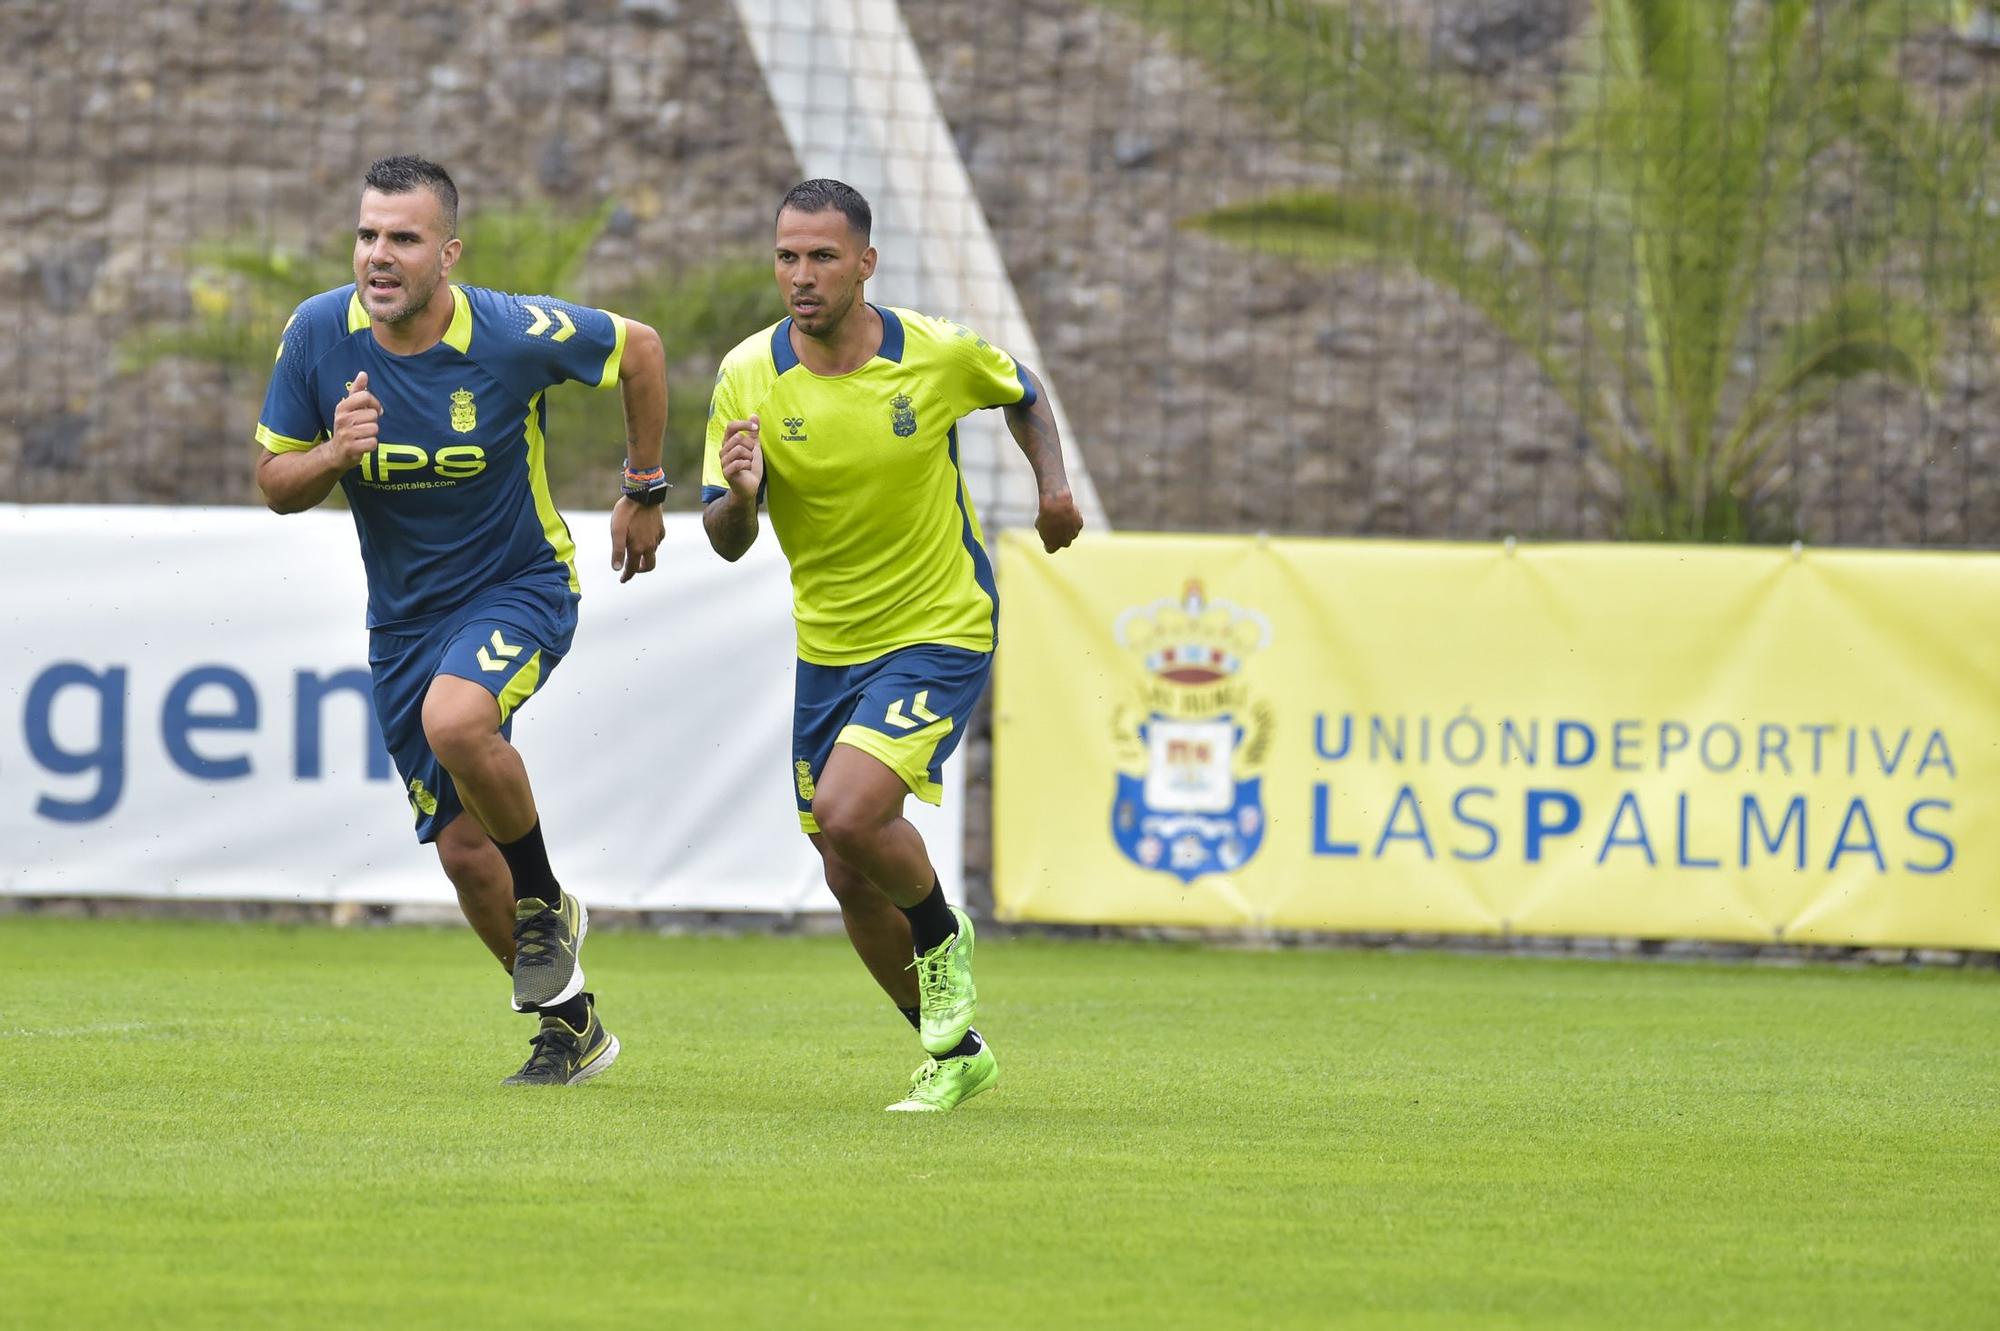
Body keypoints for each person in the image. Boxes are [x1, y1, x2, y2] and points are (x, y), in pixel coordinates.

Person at [253, 156, 670, 1086]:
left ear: (448, 252)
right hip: (404, 625)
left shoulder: (511, 331)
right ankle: (572, 1026)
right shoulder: (319, 333)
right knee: (461, 853)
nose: (379, 255)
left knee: (457, 720)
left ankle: (545, 901)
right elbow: (274, 483)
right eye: (367, 235)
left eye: (403, 238)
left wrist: (644, 488)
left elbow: (640, 347)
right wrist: (333, 453)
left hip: (521, 584)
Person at [701, 178, 1084, 1112]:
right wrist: (742, 496)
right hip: (830, 647)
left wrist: (1055, 488)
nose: (802, 275)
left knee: (849, 808)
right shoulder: (748, 375)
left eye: (823, 256)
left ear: (865, 263)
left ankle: (941, 936)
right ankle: (955, 1052)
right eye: (787, 255)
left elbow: (1023, 391)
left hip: (940, 624)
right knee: (844, 864)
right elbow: (725, 533)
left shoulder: (935, 353)